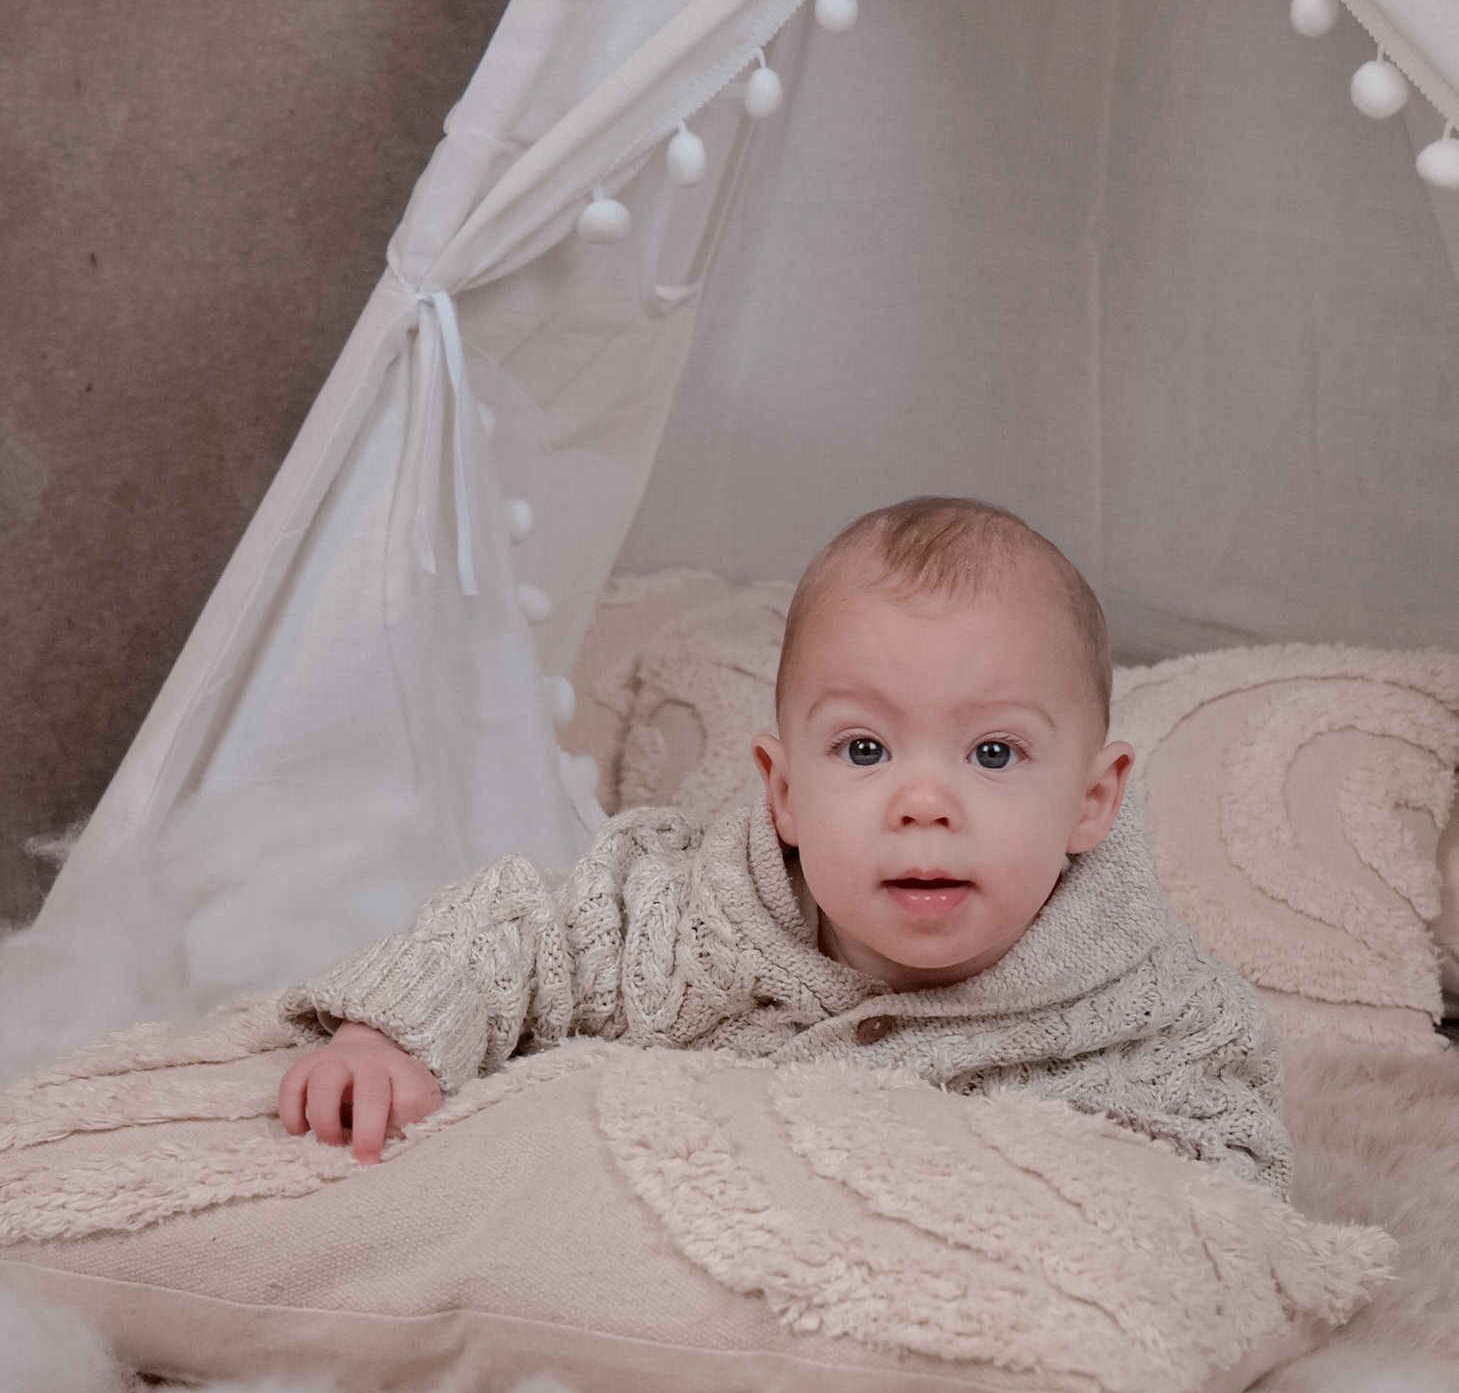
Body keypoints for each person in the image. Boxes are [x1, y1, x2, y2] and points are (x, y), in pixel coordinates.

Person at [277, 496, 1290, 1193]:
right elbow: (515, 932)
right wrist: (389, 1038)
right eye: (864, 749)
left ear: (1090, 801)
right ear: (785, 790)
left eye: (992, 752)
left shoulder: (1156, 1011)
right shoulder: (689, 922)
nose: (922, 803)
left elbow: (1226, 1178)